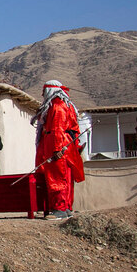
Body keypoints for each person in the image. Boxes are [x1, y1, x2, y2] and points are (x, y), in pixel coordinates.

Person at [32, 80, 85, 219]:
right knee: (66, 177)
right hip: (67, 146)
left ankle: (59, 208)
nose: (42, 94)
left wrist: (56, 149)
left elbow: (57, 128)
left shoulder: (57, 106)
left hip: (58, 145)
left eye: (44, 91)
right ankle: (66, 207)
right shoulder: (67, 105)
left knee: (57, 177)